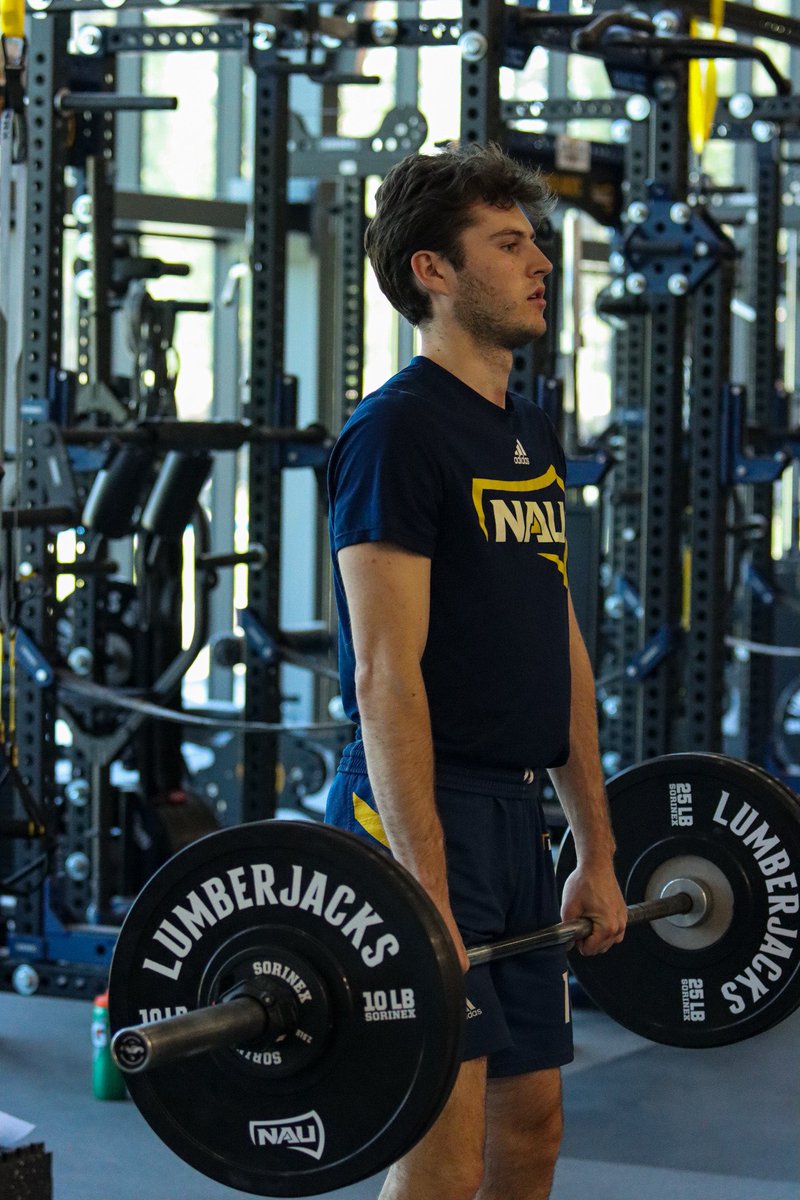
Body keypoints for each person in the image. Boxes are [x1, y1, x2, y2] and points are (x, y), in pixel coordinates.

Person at [325, 142, 628, 1200]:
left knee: (532, 1125)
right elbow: (380, 673)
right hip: (420, 809)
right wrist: (425, 886)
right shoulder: (394, 432)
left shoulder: (523, 430)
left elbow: (558, 644)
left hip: (511, 817)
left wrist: (593, 843)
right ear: (433, 273)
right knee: (441, 1150)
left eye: (534, 238)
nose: (538, 260)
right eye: (507, 243)